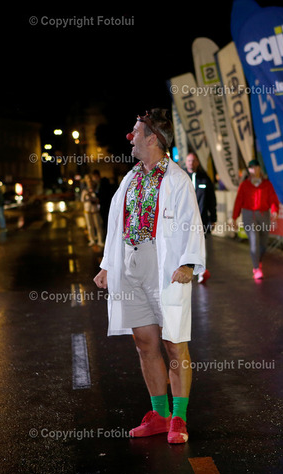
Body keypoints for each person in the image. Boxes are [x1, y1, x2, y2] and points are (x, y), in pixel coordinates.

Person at [93, 109, 205, 444]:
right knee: (144, 343)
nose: (130, 137)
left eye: (135, 132)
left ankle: (179, 418)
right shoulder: (130, 178)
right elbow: (116, 223)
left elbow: (192, 222)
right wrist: (107, 265)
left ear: (152, 138)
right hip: (131, 264)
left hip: (165, 265)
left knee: (174, 343)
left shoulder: (177, 178)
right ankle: (159, 414)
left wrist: (189, 263)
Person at [231, 159, 279, 280]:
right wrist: (234, 218)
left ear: (259, 168)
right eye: (251, 168)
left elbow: (273, 199)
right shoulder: (244, 185)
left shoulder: (267, 184)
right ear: (249, 170)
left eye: (255, 167)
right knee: (254, 240)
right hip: (249, 215)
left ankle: (258, 259)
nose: (253, 170)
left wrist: (275, 210)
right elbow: (238, 202)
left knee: (263, 242)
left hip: (263, 214)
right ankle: (256, 268)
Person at [185, 152, 216, 283]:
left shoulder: (204, 178)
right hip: (184, 220)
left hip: (201, 219)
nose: (191, 163)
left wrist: (213, 218)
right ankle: (187, 270)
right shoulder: (181, 178)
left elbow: (211, 200)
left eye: (193, 160)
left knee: (200, 245)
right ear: (186, 162)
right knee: (186, 246)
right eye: (189, 160)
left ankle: (202, 272)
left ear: (197, 162)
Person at [81, 175, 104, 246]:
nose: (89, 182)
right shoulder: (85, 190)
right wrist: (85, 195)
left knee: (98, 225)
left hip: (95, 210)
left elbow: (98, 199)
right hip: (87, 210)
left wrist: (92, 197)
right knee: (89, 226)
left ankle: (100, 240)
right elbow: (82, 200)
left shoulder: (96, 189)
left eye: (90, 180)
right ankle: (92, 240)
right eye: (88, 181)